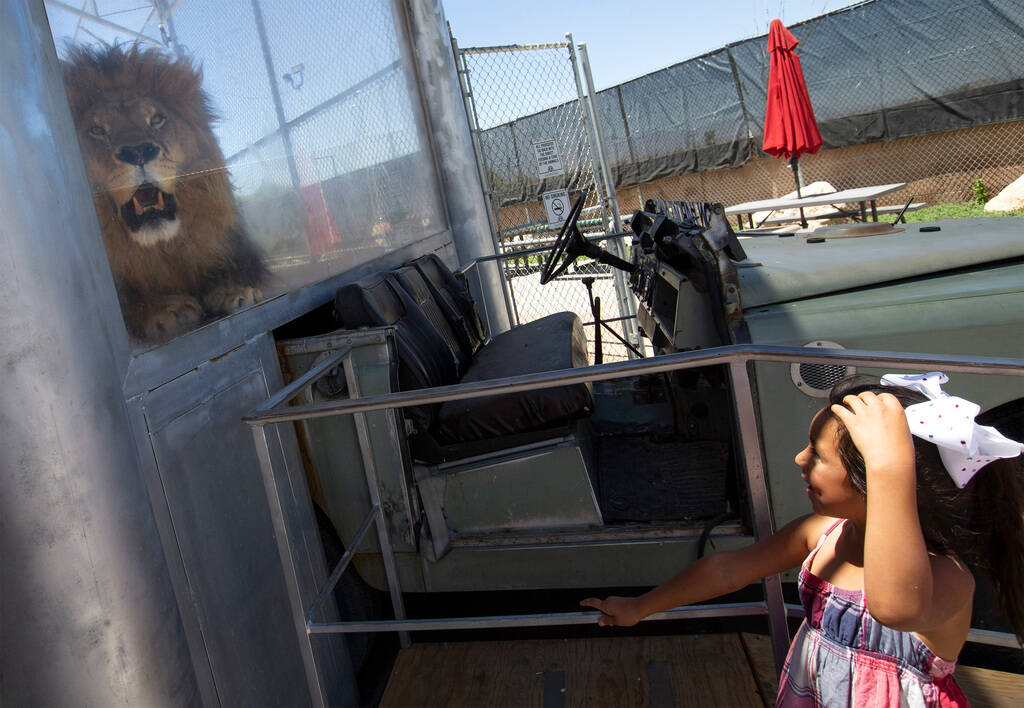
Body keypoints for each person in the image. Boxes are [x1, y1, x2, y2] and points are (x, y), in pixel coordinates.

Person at [581, 373, 1024, 707]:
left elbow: (895, 609)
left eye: (816, 453)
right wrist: (640, 607)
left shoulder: (944, 577)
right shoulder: (823, 535)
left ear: (876, 481)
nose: (799, 458)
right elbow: (728, 569)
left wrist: (891, 467)